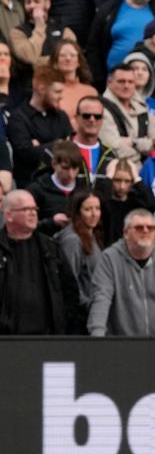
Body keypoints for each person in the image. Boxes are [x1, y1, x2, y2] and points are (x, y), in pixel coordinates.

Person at [88, 208, 155, 336]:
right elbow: (101, 298)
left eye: (151, 228)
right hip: (122, 345)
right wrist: (97, 336)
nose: (146, 231)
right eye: (139, 227)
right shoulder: (110, 258)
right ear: (125, 232)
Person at [0, 189, 84, 334]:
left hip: (46, 341)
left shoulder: (50, 248)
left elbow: (70, 291)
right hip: (5, 342)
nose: (33, 213)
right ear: (9, 215)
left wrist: (63, 325)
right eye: (26, 209)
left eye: (35, 209)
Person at [100, 62, 155, 165]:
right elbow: (113, 149)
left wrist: (133, 142)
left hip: (147, 172)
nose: (126, 86)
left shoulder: (143, 107)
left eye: (130, 82)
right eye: (121, 81)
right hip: (117, 171)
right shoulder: (101, 109)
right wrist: (146, 146)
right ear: (109, 82)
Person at [55, 188, 106, 306]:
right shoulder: (72, 240)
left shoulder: (93, 235)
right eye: (88, 209)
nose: (94, 214)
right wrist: (87, 306)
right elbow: (69, 281)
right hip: (82, 312)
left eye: (97, 208)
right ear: (77, 212)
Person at [28, 141, 86, 236]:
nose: (71, 175)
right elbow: (25, 225)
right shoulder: (36, 190)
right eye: (65, 168)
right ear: (54, 164)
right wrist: (51, 222)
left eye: (75, 168)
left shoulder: (83, 189)